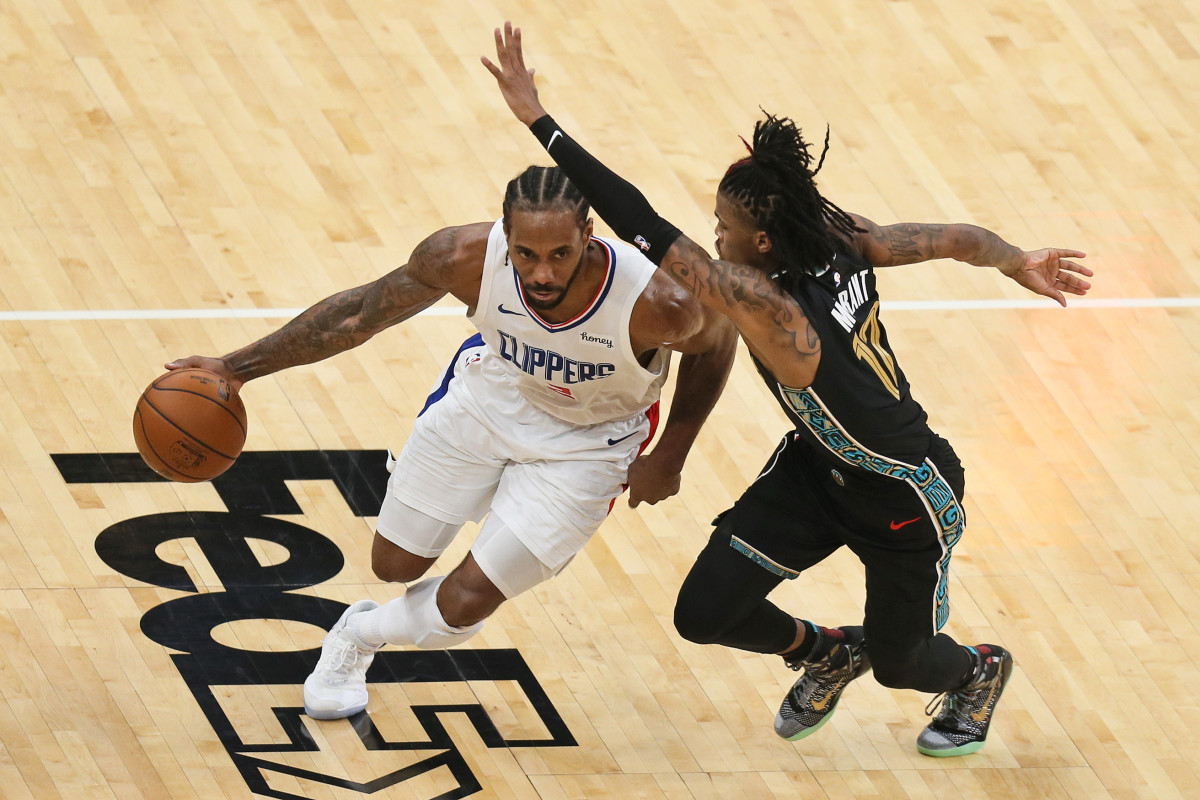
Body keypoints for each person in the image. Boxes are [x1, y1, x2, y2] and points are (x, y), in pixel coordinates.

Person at [483, 23, 1092, 757]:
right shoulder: (841, 234)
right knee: (704, 613)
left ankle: (978, 672)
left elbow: (642, 223)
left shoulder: (770, 310)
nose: (714, 235)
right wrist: (1014, 258)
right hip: (816, 472)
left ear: (761, 243)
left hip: (904, 496)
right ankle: (825, 651)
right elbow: (956, 239)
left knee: (906, 666)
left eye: (725, 226)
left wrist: (540, 124)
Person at [167, 164, 738, 720]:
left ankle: (356, 636)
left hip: (589, 445)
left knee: (463, 607)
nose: (541, 274)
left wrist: (671, 452)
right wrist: (235, 368)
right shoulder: (460, 258)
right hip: (493, 399)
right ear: (504, 235)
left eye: (559, 254)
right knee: (394, 565)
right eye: (526, 254)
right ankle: (488, 499)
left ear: (589, 237)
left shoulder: (658, 303)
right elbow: (360, 316)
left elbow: (718, 341)